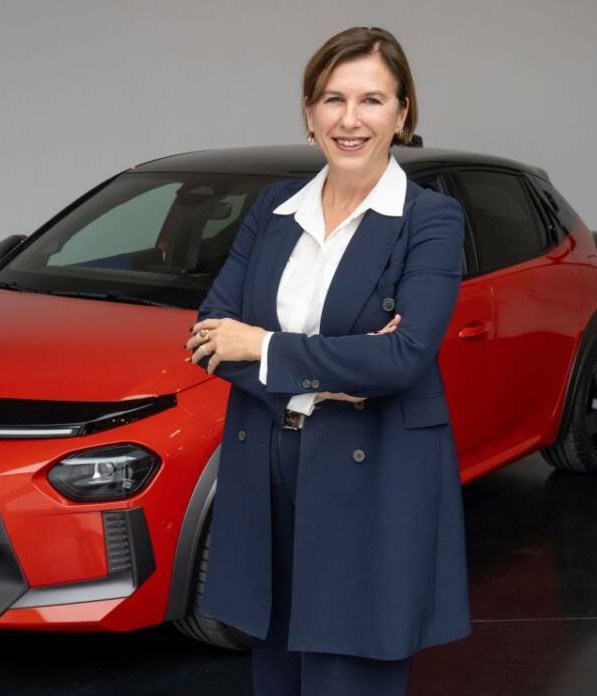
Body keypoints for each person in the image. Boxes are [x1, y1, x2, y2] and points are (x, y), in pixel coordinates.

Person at [184, 26, 470, 696]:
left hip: (371, 470)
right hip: (266, 463)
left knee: (352, 669)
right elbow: (209, 337)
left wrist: (263, 346)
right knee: (276, 664)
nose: (350, 119)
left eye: (372, 100)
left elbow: (402, 357)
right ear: (309, 112)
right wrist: (334, 369)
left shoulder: (431, 219)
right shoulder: (273, 209)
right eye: (333, 99)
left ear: (402, 113)